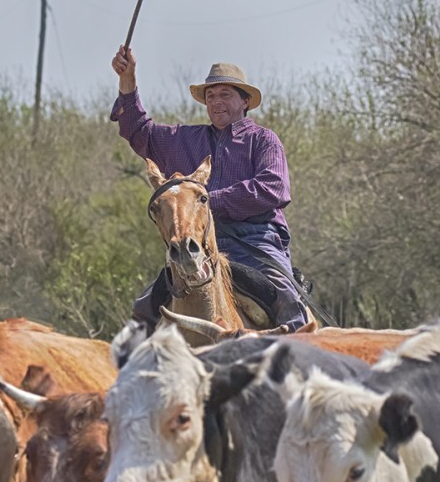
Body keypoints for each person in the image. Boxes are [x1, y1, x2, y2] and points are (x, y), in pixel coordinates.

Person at [109, 45, 310, 332]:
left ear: (245, 102)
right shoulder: (184, 140)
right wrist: (127, 79)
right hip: (196, 248)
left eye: (225, 94)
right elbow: (138, 131)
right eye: (211, 95)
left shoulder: (264, 140)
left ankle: (299, 358)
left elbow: (273, 188)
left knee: (288, 301)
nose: (216, 101)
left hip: (255, 244)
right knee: (143, 309)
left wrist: (203, 202)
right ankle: (130, 369)